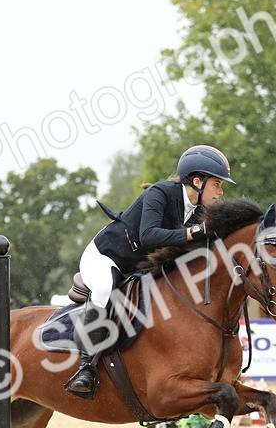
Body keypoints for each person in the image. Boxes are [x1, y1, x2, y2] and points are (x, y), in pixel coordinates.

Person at [65, 145, 234, 396]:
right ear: (198, 181)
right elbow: (148, 236)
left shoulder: (199, 211)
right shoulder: (161, 193)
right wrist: (194, 232)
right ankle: (86, 367)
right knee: (104, 288)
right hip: (106, 256)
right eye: (217, 184)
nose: (220, 192)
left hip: (139, 265)